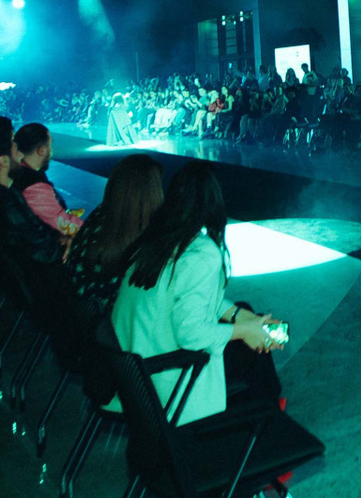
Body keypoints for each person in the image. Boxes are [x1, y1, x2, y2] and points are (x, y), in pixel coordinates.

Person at [111, 163, 281, 426]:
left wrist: (242, 318)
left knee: (245, 312)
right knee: (251, 356)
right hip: (168, 379)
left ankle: (267, 410)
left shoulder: (156, 240)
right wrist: (245, 331)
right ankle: (265, 420)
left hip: (133, 376)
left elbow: (185, 297)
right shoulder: (202, 253)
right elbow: (191, 334)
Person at [70, 154, 165, 310]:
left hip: (78, 313)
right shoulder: (149, 239)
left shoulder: (99, 215)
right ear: (151, 193)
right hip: (113, 319)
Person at [0, 136, 61, 264]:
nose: (21, 155)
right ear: (3, 161)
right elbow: (41, 251)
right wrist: (63, 245)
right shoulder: (5, 203)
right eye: (16, 151)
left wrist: (58, 237)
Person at [11, 123, 73, 241]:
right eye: (50, 146)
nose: (51, 151)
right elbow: (61, 223)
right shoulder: (34, 185)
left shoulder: (17, 172)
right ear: (42, 150)